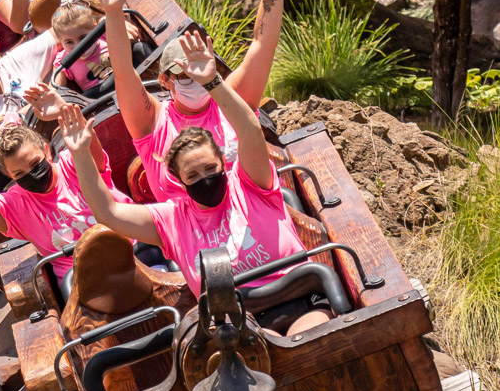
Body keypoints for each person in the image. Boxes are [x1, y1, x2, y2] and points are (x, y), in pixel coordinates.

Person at [64, 32, 329, 335]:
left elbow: (251, 132)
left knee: (306, 341)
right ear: (179, 180)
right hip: (241, 325)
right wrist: (81, 153)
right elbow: (107, 212)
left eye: (209, 168)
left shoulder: (251, 184)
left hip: (301, 300)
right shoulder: (172, 219)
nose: (205, 179)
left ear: (222, 163)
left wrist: (213, 82)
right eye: (193, 176)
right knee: (258, 350)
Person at [92, 0, 286, 202]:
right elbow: (123, 73)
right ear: (164, 81)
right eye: (185, 74)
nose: (196, 80)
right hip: (189, 231)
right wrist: (113, 12)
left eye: (201, 71)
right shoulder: (152, 123)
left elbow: (262, 44)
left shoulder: (232, 100)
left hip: (250, 212)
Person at [0, 121, 127, 286]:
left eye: (35, 164)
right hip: (86, 279)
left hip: (132, 245)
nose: (32, 174)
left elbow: (88, 142)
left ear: (47, 151)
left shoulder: (73, 162)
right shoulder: (15, 205)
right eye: (20, 173)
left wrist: (62, 111)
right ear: (8, 175)